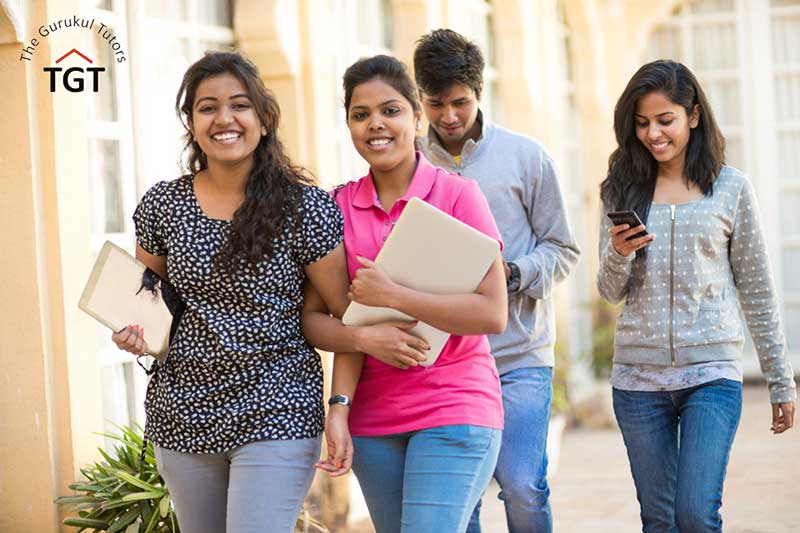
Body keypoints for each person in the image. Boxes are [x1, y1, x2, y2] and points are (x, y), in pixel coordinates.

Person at [111, 51, 353, 533]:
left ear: (263, 118)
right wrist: (132, 332)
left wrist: (339, 408)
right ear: (191, 122)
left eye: (240, 105)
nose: (225, 118)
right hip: (182, 411)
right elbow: (144, 304)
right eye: (208, 107)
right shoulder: (163, 204)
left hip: (277, 406)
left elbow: (349, 316)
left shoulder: (304, 207)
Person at [300, 54, 507, 533]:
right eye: (361, 114)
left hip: (456, 404)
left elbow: (493, 312)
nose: (376, 124)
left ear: (417, 116)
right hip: (373, 422)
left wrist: (393, 295)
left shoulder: (458, 196)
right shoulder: (335, 207)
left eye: (390, 110)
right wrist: (359, 358)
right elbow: (315, 320)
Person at [597, 59, 796, 532]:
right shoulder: (622, 191)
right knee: (659, 519)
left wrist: (780, 379)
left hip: (711, 376)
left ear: (693, 116)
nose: (653, 134)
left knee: (695, 514)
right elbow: (609, 293)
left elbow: (758, 289)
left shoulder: (730, 188)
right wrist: (618, 254)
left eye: (665, 120)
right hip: (637, 383)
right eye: (642, 123)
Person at [414, 29, 580, 533]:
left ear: (479, 92)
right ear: (419, 98)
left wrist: (514, 273)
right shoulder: (409, 165)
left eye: (459, 102)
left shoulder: (526, 157)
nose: (448, 117)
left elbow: (563, 249)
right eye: (435, 103)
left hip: (519, 355)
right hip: (445, 362)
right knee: (461, 502)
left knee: (524, 487)